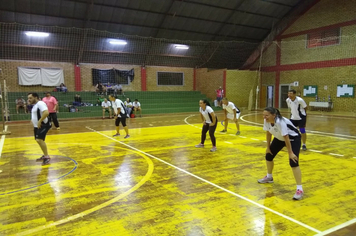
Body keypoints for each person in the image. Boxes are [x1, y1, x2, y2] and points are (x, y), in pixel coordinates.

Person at [258, 107, 303, 200]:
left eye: (266, 115)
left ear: (273, 115)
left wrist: (290, 153)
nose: (264, 117)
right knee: (269, 156)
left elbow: (286, 137)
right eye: (263, 115)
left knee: (293, 161)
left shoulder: (280, 122)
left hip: (293, 139)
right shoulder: (266, 120)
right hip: (280, 138)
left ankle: (299, 189)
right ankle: (269, 177)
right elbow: (268, 133)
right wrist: (268, 147)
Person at [28, 92, 51, 165]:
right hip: (37, 126)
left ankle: (47, 157)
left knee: (39, 139)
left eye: (30, 98)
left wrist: (40, 121)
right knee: (38, 140)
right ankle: (45, 155)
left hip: (43, 125)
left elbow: (46, 112)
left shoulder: (40, 103)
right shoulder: (35, 105)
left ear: (35, 97)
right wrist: (33, 120)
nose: (29, 100)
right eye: (28, 98)